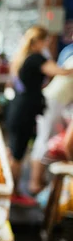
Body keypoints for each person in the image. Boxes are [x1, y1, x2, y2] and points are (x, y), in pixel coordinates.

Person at [6, 26, 73, 203]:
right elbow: (59, 71)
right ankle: (14, 193)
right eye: (46, 42)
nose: (47, 45)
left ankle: (14, 190)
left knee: (16, 152)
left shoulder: (24, 57)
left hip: (19, 107)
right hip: (25, 110)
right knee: (19, 154)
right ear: (38, 42)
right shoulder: (36, 58)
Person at [28, 53, 73, 194]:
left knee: (44, 140)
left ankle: (38, 181)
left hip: (55, 101)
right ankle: (35, 183)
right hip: (54, 102)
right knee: (44, 141)